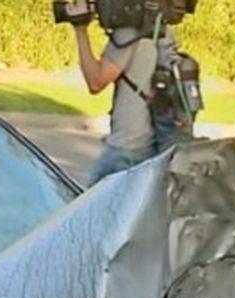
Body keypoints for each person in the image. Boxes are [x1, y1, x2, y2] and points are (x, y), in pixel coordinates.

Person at [64, 2, 182, 184]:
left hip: (125, 148)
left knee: (89, 210)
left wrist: (80, 30)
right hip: (155, 145)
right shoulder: (163, 31)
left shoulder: (129, 34)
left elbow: (95, 81)